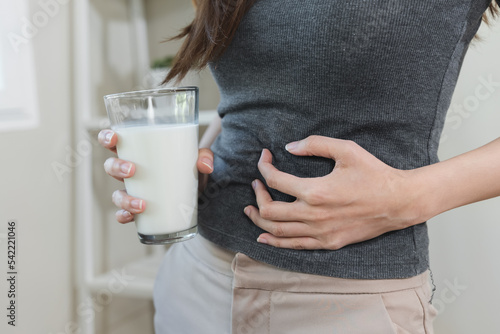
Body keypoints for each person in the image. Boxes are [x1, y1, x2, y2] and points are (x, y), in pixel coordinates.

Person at [98, 1, 500, 333]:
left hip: (344, 305)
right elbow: (256, 93)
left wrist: (406, 199)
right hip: (196, 279)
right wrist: (192, 167)